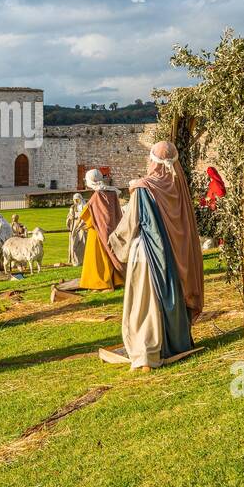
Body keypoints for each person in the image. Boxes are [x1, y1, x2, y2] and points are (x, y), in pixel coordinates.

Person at [107, 140, 205, 371]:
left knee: (146, 303)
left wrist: (114, 241)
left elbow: (131, 222)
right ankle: (175, 343)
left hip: (148, 255)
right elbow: (184, 225)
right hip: (174, 254)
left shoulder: (144, 188)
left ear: (153, 160)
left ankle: (147, 352)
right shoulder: (178, 186)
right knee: (171, 297)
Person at [78, 168, 124, 290]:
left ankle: (102, 283)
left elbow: (89, 214)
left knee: (98, 258)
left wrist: (83, 220)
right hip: (111, 228)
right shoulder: (111, 192)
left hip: (97, 231)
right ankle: (115, 280)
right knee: (109, 253)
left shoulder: (98, 195)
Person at [65, 193, 87, 266]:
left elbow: (86, 217)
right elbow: (69, 217)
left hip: (82, 228)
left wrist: (80, 224)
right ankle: (74, 260)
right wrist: (70, 218)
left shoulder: (84, 206)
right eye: (74, 200)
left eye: (77, 199)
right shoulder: (73, 207)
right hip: (74, 226)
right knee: (73, 244)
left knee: (82, 243)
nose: (76, 201)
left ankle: (81, 260)